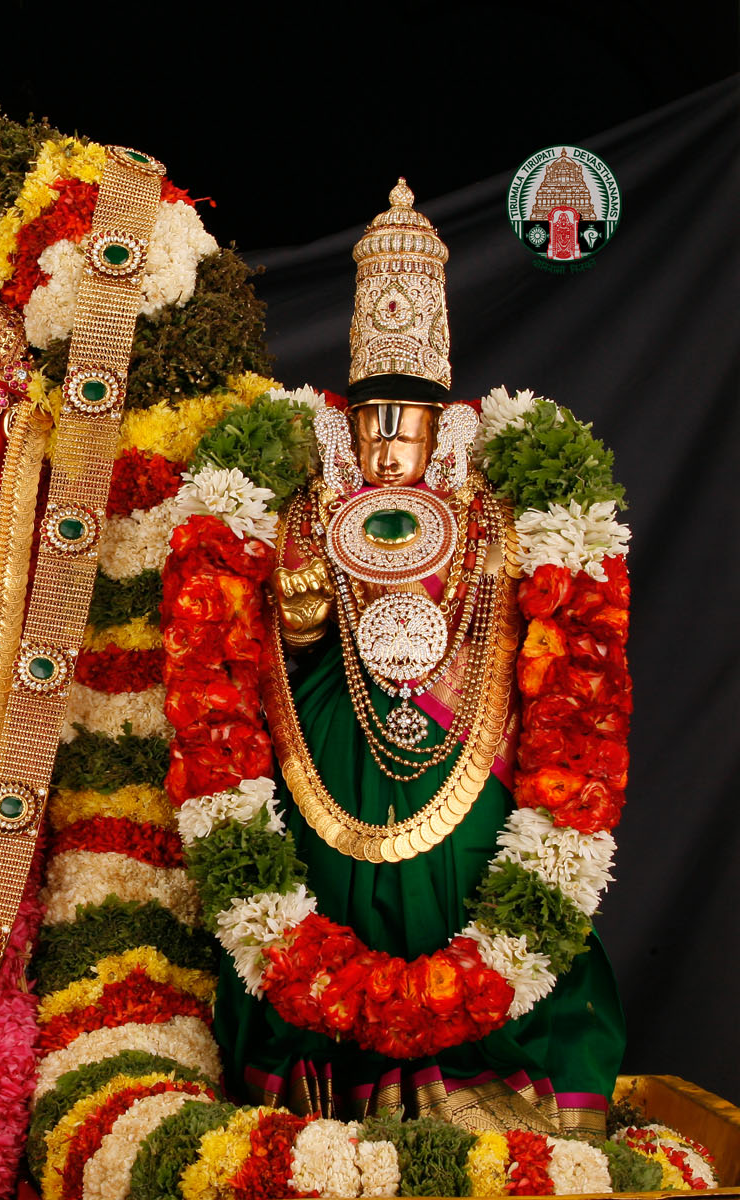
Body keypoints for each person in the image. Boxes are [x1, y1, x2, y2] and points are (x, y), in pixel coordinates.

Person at [222, 180, 625, 1133]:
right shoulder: (307, 509)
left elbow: (526, 633)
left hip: (464, 739)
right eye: (372, 422)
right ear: (346, 423)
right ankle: (337, 1085)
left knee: (473, 871)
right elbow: (285, 640)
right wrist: (309, 615)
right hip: (331, 744)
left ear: (446, 422)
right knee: (327, 880)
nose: (391, 443)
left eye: (409, 421)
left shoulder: (488, 508)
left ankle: (487, 1083)